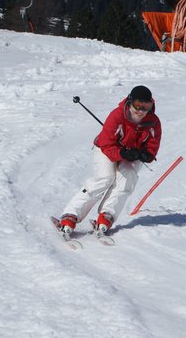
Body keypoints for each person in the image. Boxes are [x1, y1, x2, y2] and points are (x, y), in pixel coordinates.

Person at [55, 85, 161, 236]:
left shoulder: (153, 122)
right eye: (138, 105)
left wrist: (147, 155)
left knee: (127, 179)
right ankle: (70, 214)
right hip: (106, 150)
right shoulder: (117, 116)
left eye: (146, 106)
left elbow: (153, 145)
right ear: (130, 102)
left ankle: (107, 215)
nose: (141, 110)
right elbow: (106, 144)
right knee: (105, 178)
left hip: (130, 155)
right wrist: (121, 153)